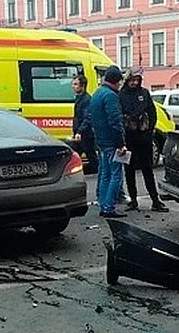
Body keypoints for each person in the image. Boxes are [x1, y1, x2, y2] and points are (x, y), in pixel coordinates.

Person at [119, 68, 169, 213]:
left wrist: (150, 130)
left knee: (147, 169)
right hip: (129, 137)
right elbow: (121, 114)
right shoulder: (122, 95)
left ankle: (155, 200)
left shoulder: (144, 93)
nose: (134, 83)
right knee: (129, 171)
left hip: (144, 137)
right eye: (132, 80)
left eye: (137, 80)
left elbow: (152, 112)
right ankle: (133, 200)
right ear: (127, 80)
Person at [89, 65, 128, 218]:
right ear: (116, 81)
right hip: (112, 142)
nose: (120, 84)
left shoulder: (97, 93)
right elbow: (115, 122)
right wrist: (121, 144)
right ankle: (109, 207)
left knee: (105, 174)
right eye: (119, 81)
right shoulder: (111, 96)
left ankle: (103, 203)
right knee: (115, 175)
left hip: (101, 141)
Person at [71, 74, 97, 174]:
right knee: (75, 155)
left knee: (91, 156)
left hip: (85, 135)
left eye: (76, 84)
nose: (73, 86)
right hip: (80, 134)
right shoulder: (79, 98)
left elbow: (87, 118)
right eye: (73, 84)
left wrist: (79, 132)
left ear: (82, 86)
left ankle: (98, 173)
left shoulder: (86, 100)